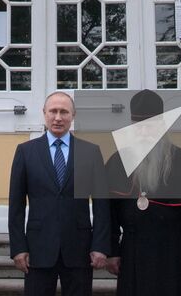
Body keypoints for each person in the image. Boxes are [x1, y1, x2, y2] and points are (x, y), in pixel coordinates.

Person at [105, 89, 181, 296]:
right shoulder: (118, 161)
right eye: (139, 126)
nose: (144, 133)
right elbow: (110, 213)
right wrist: (112, 252)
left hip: (176, 249)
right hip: (134, 249)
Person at [8, 90, 110, 296]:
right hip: (38, 249)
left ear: (73, 115)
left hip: (79, 249)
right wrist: (18, 247)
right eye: (53, 111)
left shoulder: (90, 152)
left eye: (64, 112)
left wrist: (100, 245)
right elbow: (16, 205)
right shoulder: (26, 152)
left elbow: (102, 204)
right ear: (44, 113)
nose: (58, 117)